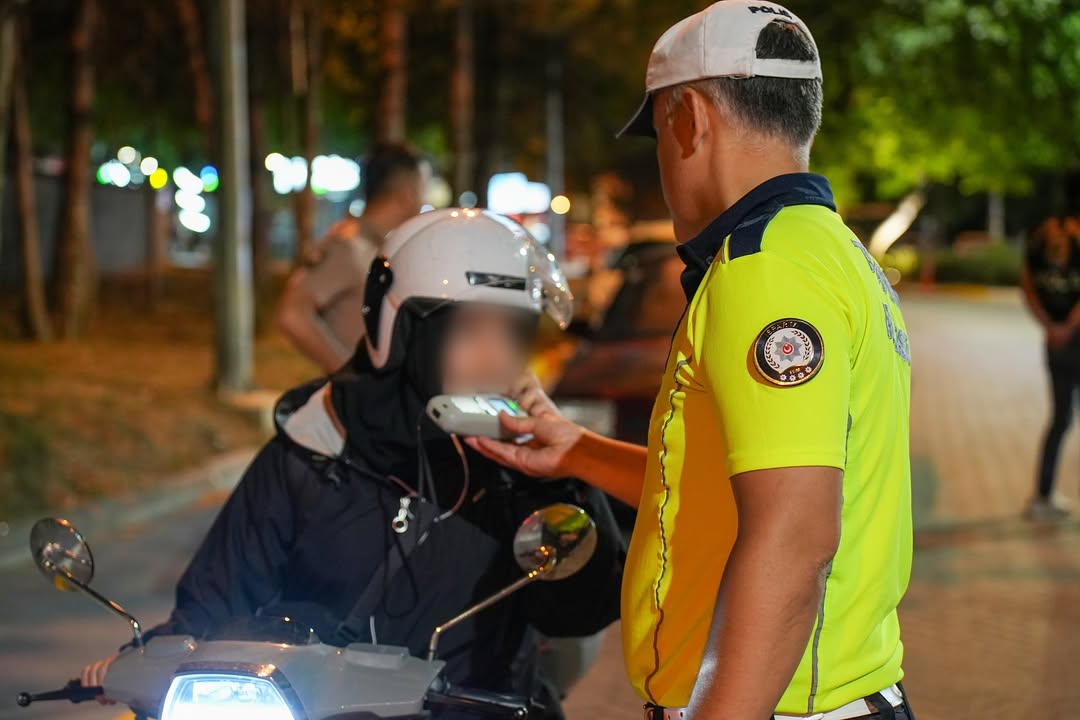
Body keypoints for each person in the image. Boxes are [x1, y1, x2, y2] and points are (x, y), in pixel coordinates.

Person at [471, 3, 916, 719]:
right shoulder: (829, 250)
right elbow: (729, 484)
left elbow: (795, 536)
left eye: (657, 136)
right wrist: (579, 451)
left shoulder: (764, 269)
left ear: (688, 119)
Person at [83, 209, 624, 718]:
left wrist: (557, 480)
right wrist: (149, 659)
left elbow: (578, 611)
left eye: (513, 333)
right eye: (469, 331)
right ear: (404, 332)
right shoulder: (316, 446)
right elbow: (216, 597)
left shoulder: (519, 465)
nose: (496, 358)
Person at [275, 141, 431, 374]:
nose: (424, 201)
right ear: (405, 195)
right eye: (423, 190)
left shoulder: (381, 247)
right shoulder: (348, 246)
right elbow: (292, 314)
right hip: (357, 405)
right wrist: (348, 374)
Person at [1021, 212, 1080, 520]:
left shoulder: (1048, 246)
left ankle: (1043, 496)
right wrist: (1056, 326)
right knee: (1060, 419)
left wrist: (1057, 325)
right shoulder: (1038, 250)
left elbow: (1028, 289)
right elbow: (1028, 287)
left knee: (1060, 419)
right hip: (1062, 345)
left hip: (1060, 340)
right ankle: (1043, 496)